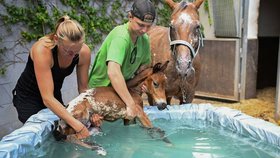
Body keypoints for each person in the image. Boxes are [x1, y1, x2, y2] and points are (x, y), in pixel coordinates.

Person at [12, 15, 100, 139]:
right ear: (56, 39)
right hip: (28, 97)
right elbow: (47, 98)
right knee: (43, 137)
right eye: (68, 51)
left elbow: (83, 89)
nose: (72, 55)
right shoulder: (42, 50)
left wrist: (92, 112)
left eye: (76, 51)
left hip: (53, 94)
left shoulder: (83, 52)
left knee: (62, 134)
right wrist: (78, 126)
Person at [88, 0, 156, 120]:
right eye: (141, 25)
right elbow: (113, 72)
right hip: (99, 91)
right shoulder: (121, 37)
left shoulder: (144, 39)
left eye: (148, 26)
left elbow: (144, 69)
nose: (144, 30)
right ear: (130, 16)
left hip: (121, 89)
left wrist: (142, 84)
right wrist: (130, 104)